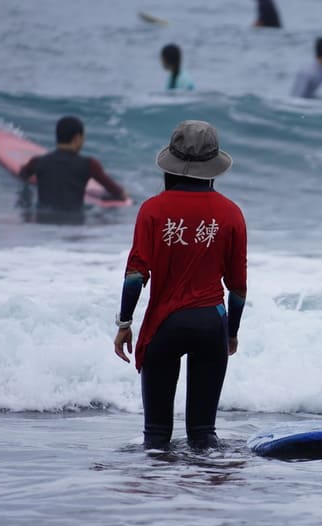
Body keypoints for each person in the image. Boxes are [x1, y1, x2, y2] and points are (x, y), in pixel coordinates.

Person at [113, 120, 247, 450]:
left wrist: (125, 323)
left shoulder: (152, 210)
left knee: (156, 437)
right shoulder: (231, 214)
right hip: (210, 323)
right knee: (203, 435)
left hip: (164, 325)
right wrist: (231, 332)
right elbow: (238, 287)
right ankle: (209, 482)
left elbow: (135, 276)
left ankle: (158, 484)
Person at [18, 116, 128, 218]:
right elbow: (118, 193)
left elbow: (23, 174)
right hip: (74, 223)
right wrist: (107, 196)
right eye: (83, 137)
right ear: (77, 138)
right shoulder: (89, 164)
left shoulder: (38, 162)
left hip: (43, 221)